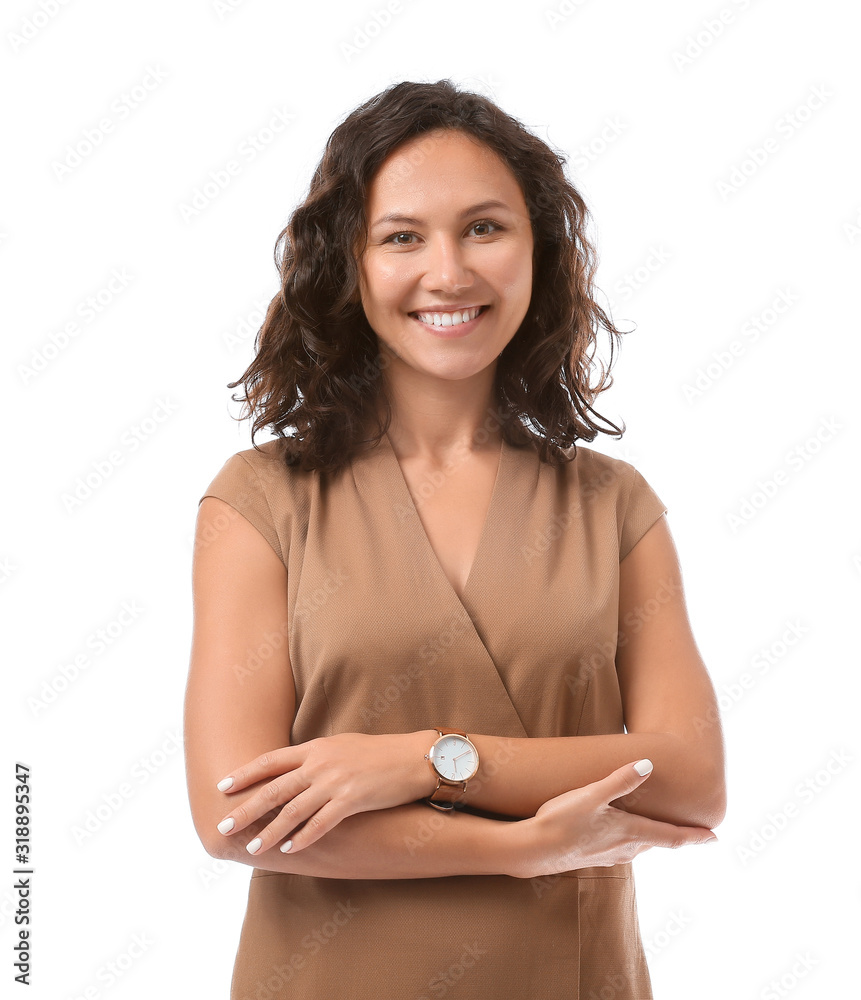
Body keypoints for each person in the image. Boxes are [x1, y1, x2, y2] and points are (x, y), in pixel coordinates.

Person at [184, 79, 726, 999]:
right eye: (402, 236)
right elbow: (239, 815)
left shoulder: (613, 506)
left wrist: (425, 757)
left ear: (537, 252)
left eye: (484, 227)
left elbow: (687, 777)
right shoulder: (261, 500)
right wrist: (522, 847)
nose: (449, 272)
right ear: (347, 265)